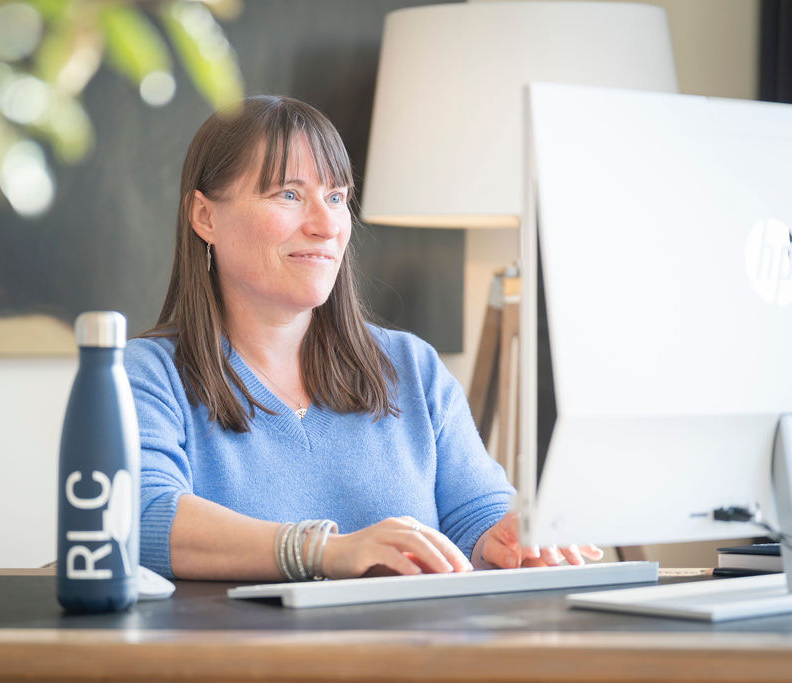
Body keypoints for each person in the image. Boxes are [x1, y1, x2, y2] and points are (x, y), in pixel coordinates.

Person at [125, 95, 602, 581]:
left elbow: (476, 517)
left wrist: (507, 539)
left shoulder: (411, 366)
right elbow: (138, 517)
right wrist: (323, 551)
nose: (326, 225)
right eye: (288, 195)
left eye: (336, 198)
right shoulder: (147, 375)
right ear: (205, 217)